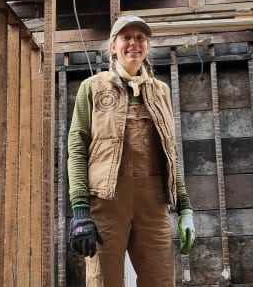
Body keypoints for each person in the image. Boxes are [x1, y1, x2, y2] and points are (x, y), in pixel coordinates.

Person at [67, 14, 195, 286]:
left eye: (140, 38)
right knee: (104, 281)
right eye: (126, 37)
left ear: (147, 46)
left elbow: (170, 152)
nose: (134, 43)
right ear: (113, 46)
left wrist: (185, 209)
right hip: (106, 201)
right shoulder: (91, 88)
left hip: (154, 204)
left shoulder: (161, 91)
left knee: (160, 280)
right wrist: (80, 209)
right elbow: (77, 148)